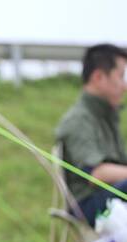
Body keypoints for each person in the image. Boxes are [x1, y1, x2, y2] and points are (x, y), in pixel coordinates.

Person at [56, 44, 127, 227]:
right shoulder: (78, 119)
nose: (124, 86)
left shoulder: (106, 115)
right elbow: (97, 174)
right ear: (98, 77)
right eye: (120, 76)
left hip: (110, 195)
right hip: (88, 204)